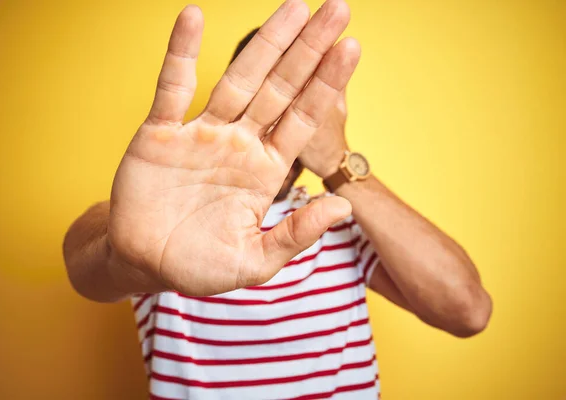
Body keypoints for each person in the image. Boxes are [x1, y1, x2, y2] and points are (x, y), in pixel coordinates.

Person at [63, 0, 492, 398]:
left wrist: (339, 165)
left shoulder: (337, 222)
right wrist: (125, 253)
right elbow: (86, 266)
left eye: (308, 103)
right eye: (272, 97)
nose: (285, 120)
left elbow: (467, 311)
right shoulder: (171, 213)